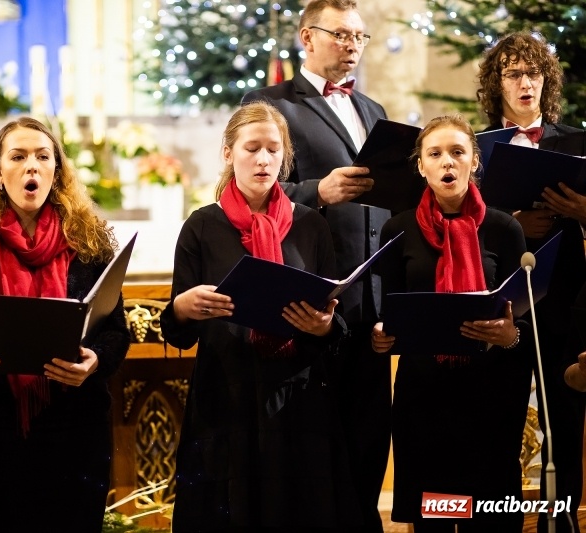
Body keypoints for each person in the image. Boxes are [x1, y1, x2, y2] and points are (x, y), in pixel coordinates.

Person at [162, 101, 362, 531]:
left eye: (274, 149)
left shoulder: (310, 225)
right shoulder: (201, 227)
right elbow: (177, 331)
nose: (263, 159)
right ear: (228, 153)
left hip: (296, 398)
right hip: (226, 396)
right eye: (252, 148)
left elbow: (335, 320)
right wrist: (183, 308)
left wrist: (325, 325)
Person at [241, 1, 391, 529]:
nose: (352, 45)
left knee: (370, 426)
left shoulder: (372, 110)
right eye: (341, 35)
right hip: (313, 292)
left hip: (370, 293)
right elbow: (254, 186)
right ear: (308, 36)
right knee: (318, 434)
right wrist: (316, 191)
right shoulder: (272, 103)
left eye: (360, 37)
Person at [0, 117, 130, 532]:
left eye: (43, 157)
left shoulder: (91, 241)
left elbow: (117, 331)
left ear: (56, 171)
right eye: (18, 156)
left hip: (78, 424)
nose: (32, 166)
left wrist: (94, 361)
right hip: (4, 429)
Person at [372, 114, 532, 532]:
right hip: (427, 400)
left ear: (475, 162)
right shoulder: (398, 230)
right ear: (421, 165)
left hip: (491, 397)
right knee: (439, 518)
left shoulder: (503, 228)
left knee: (489, 519)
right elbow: (386, 313)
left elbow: (526, 324)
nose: (448, 163)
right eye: (436, 154)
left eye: (458, 153)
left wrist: (511, 335)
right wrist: (381, 336)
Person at [476, 31, 586, 532]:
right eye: (514, 73)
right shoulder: (473, 151)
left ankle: (559, 525)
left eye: (534, 73)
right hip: (502, 305)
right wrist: (511, 218)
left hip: (567, 302)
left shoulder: (576, 143)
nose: (526, 83)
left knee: (564, 421)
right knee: (496, 423)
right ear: (495, 85)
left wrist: (583, 212)